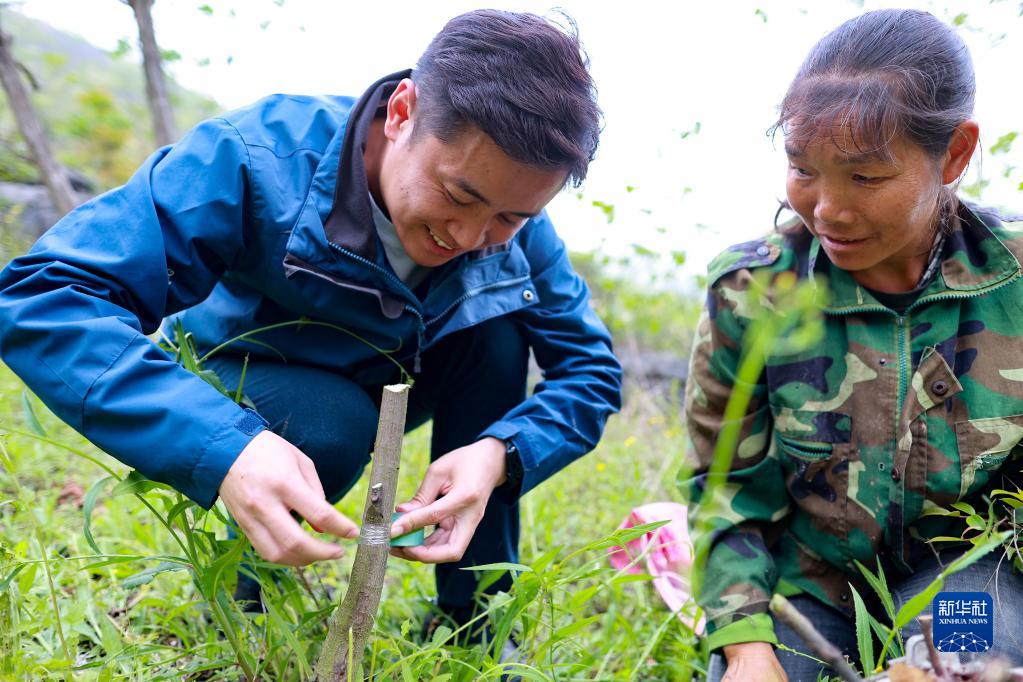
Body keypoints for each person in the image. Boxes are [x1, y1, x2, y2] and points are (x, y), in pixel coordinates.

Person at [0, 9, 621, 644]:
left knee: (498, 333)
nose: (468, 237)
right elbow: (45, 295)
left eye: (509, 216)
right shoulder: (257, 158)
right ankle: (247, 604)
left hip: (393, 378)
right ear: (403, 111)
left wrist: (500, 455)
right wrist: (225, 443)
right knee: (331, 422)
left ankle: (479, 613)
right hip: (251, 374)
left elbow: (591, 373)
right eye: (458, 196)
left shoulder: (517, 232)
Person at [680, 9, 1023, 681]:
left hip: (960, 568)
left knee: (966, 668)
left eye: (864, 178)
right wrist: (747, 650)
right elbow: (724, 493)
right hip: (811, 579)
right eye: (802, 169)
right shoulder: (752, 293)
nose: (828, 208)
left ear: (953, 153)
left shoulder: (1010, 278)